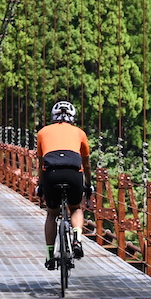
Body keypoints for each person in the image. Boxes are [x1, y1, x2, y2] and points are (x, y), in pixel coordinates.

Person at [35, 100, 92, 270]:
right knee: (75, 208)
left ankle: (50, 255)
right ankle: (77, 239)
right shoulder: (79, 133)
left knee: (52, 214)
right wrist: (88, 185)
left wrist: (41, 185)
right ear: (73, 117)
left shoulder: (43, 132)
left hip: (51, 174)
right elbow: (87, 164)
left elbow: (40, 164)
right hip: (73, 174)